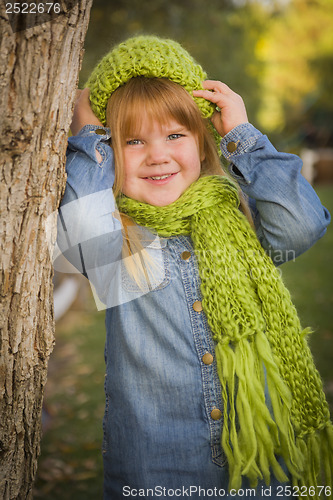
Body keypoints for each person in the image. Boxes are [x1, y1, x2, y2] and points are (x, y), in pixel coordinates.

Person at [57, 36, 332, 499]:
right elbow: (79, 234)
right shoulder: (123, 240)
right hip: (159, 465)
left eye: (174, 135)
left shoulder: (242, 220)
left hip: (262, 452)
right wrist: (87, 134)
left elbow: (302, 224)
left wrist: (241, 133)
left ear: (203, 146)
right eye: (133, 140)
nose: (157, 154)